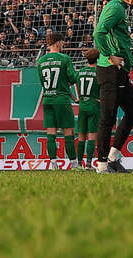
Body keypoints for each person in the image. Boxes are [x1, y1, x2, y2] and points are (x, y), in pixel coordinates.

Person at [93, 0, 133, 174]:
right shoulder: (115, 8)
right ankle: (102, 163)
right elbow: (98, 32)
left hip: (119, 70)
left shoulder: (120, 8)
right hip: (110, 70)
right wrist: (110, 55)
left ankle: (113, 156)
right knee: (108, 117)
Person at [36, 32, 78, 169]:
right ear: (58, 43)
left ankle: (53, 164)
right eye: (62, 42)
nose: (63, 44)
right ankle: (74, 163)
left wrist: (72, 97)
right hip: (61, 100)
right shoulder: (64, 58)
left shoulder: (41, 61)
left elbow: (43, 82)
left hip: (48, 99)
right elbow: (72, 78)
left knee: (51, 133)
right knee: (69, 132)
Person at [76, 48, 101, 170]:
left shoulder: (80, 71)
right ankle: (89, 164)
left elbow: (76, 83)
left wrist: (79, 96)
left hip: (82, 105)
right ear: (98, 58)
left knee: (81, 136)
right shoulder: (99, 72)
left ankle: (79, 164)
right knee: (92, 136)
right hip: (94, 105)